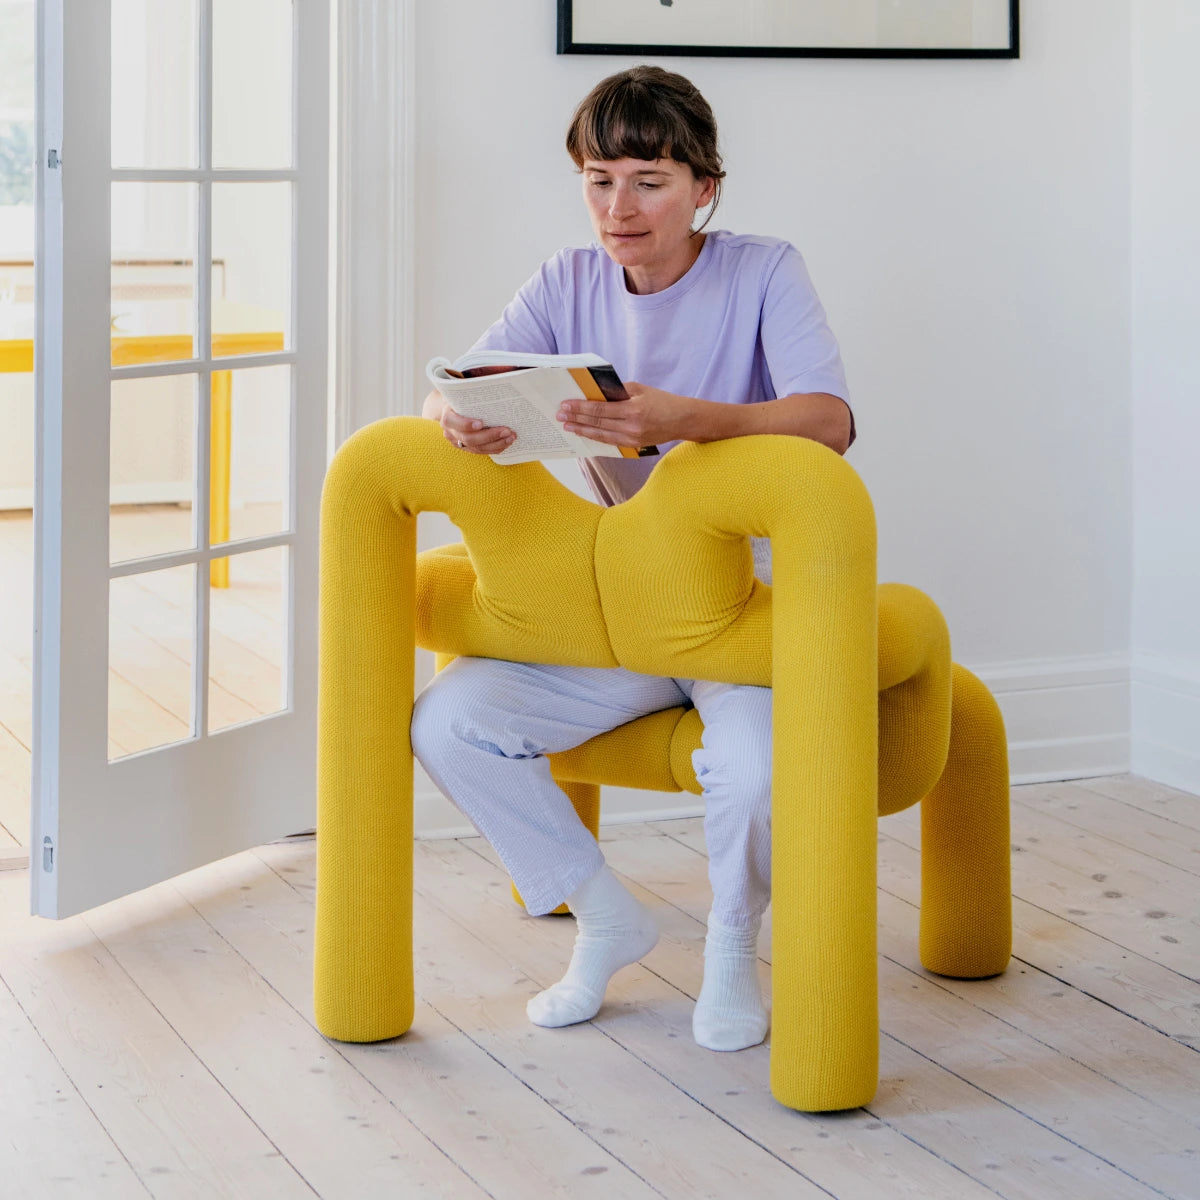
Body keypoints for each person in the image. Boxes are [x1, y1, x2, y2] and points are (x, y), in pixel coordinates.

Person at [413, 65, 853, 1052]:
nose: (620, 206)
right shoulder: (565, 282)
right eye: (599, 178)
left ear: (704, 186)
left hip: (746, 606)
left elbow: (828, 421)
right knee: (452, 722)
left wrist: (678, 420)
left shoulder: (764, 269)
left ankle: (733, 949)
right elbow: (449, 390)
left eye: (649, 179)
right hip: (627, 608)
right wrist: (462, 421)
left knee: (752, 767)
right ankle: (606, 916)